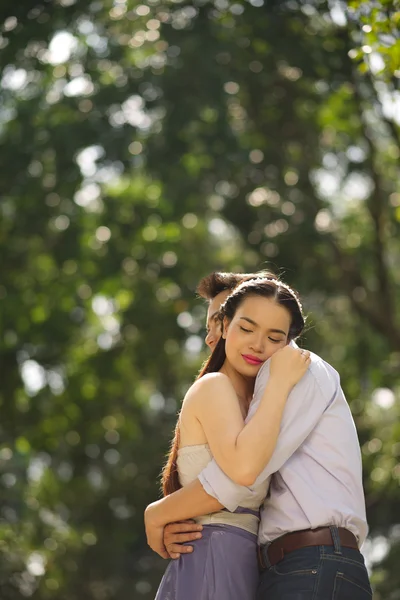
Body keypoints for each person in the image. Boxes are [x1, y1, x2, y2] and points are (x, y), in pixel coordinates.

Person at [145, 272, 372, 600]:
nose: (210, 338)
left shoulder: (294, 373)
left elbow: (243, 475)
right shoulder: (225, 389)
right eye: (211, 327)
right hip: (259, 564)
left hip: (310, 563)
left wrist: (159, 513)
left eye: (217, 320)